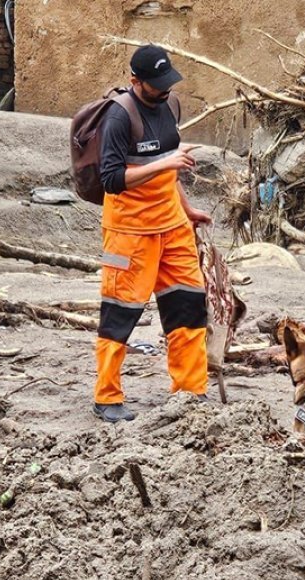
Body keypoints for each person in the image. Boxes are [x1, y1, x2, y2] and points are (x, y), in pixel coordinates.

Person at [93, 44, 213, 423]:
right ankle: (106, 397)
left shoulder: (170, 106)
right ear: (135, 81)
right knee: (120, 313)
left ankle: (190, 391)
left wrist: (187, 208)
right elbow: (111, 180)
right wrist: (165, 162)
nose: (164, 90)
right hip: (128, 233)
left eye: (167, 82)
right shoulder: (118, 117)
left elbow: (169, 171)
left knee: (188, 307)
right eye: (156, 85)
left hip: (173, 226)